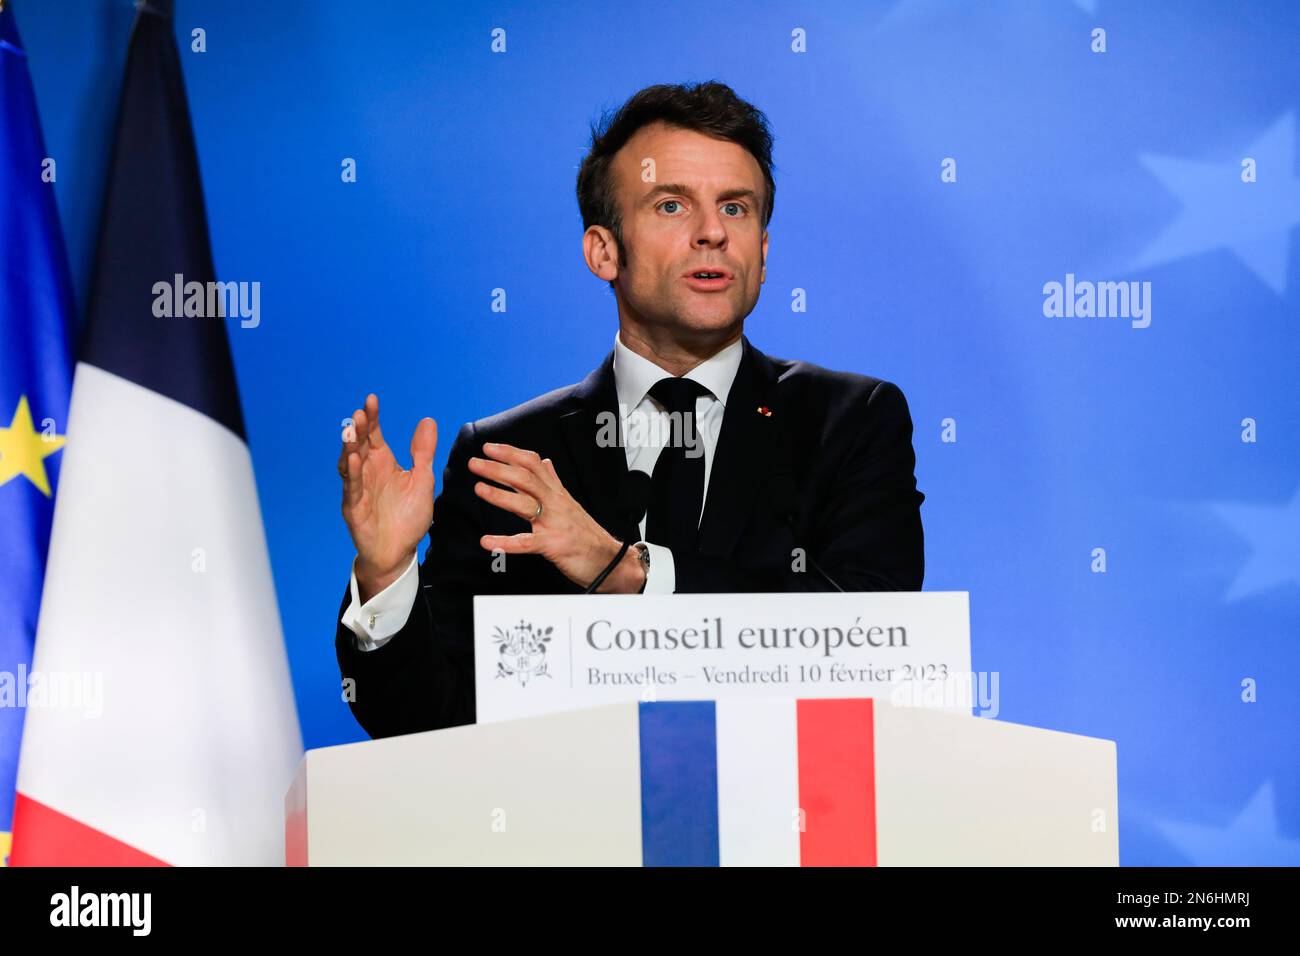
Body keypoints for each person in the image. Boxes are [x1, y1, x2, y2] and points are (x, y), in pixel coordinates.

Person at [334, 80, 925, 739]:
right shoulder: (509, 457)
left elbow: (872, 638)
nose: (712, 234)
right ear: (602, 251)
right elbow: (428, 725)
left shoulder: (848, 421)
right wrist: (386, 575)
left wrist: (630, 573)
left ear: (763, 249)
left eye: (736, 208)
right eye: (671, 205)